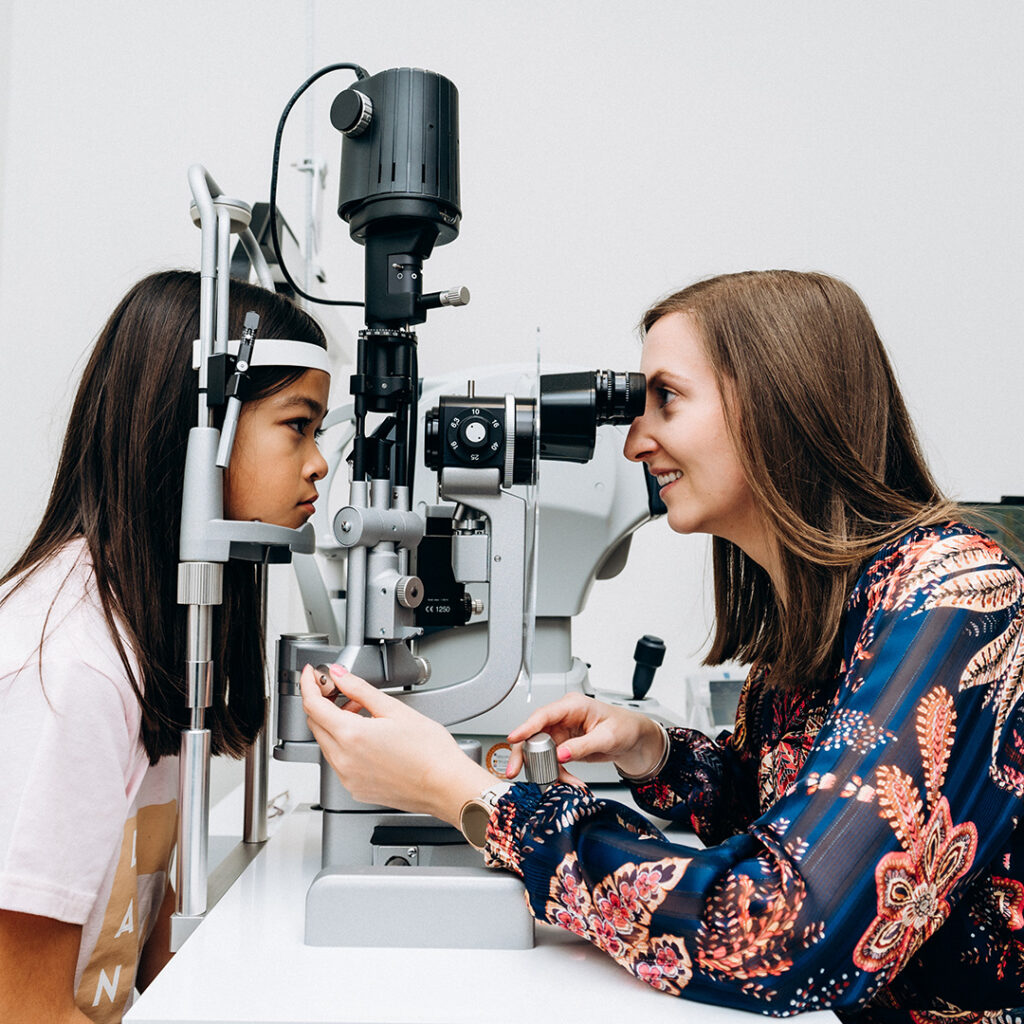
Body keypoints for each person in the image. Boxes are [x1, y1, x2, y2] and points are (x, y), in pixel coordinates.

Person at [300, 269, 1024, 1022]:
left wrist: (464, 796)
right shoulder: (827, 604)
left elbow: (782, 929)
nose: (636, 442)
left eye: (666, 400)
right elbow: (796, 816)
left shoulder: (953, 593)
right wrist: (659, 753)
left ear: (775, 402)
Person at [0, 269, 330, 1024]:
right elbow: (21, 1011)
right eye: (297, 425)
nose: (319, 463)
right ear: (198, 427)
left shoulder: (159, 630)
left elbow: (150, 939)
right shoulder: (71, 667)